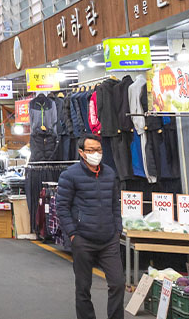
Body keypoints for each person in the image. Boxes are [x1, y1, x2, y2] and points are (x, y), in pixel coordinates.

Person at [56, 135, 123, 319]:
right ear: (81, 153)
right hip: (83, 240)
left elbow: (115, 204)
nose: (96, 154)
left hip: (109, 239)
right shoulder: (69, 175)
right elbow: (62, 207)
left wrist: (118, 229)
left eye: (99, 150)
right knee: (83, 288)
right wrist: (73, 234)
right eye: (91, 150)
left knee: (118, 283)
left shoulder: (109, 173)